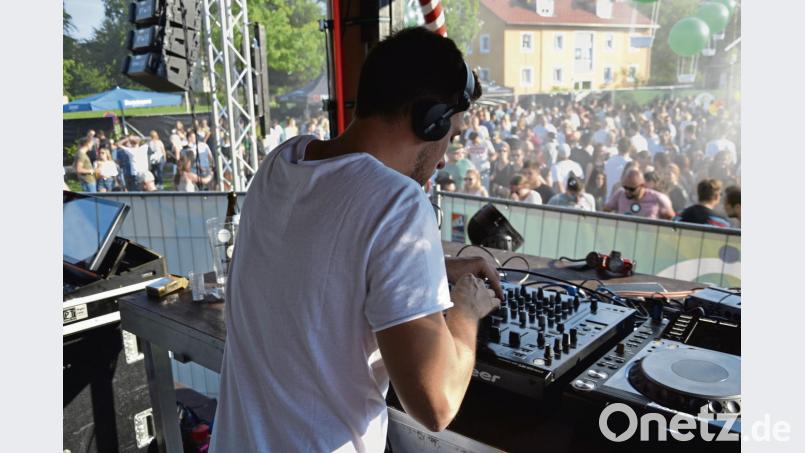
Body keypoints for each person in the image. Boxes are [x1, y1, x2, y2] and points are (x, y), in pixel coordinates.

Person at [209, 27, 501, 452]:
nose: (444, 158)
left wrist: (432, 270)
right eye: (450, 137)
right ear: (429, 120)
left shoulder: (282, 163)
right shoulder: (398, 204)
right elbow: (435, 404)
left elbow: (321, 260)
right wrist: (467, 310)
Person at [603, 168, 674, 219]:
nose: (627, 191)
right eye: (625, 187)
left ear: (642, 186)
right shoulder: (620, 193)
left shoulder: (658, 198)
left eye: (632, 189)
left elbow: (671, 219)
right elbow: (605, 211)